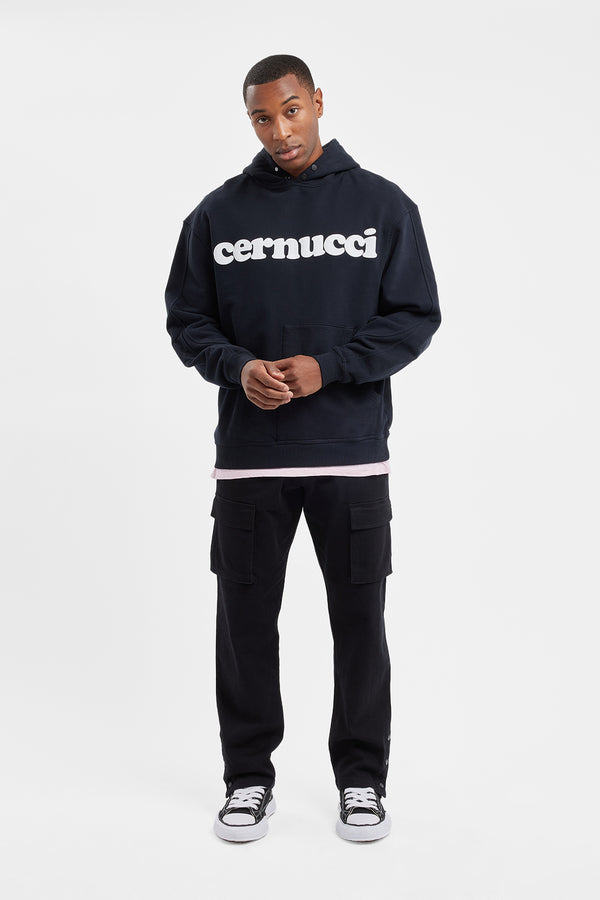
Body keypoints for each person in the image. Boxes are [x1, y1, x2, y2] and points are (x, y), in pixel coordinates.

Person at [164, 53, 441, 843]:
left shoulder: (382, 206)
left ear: (316, 101)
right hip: (251, 461)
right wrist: (238, 367)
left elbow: (414, 316)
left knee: (359, 625)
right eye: (262, 117)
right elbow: (188, 321)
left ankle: (362, 780)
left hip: (351, 457)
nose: (280, 130)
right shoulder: (217, 215)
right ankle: (248, 778)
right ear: (249, 120)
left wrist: (333, 366)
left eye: (291, 110)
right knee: (245, 626)